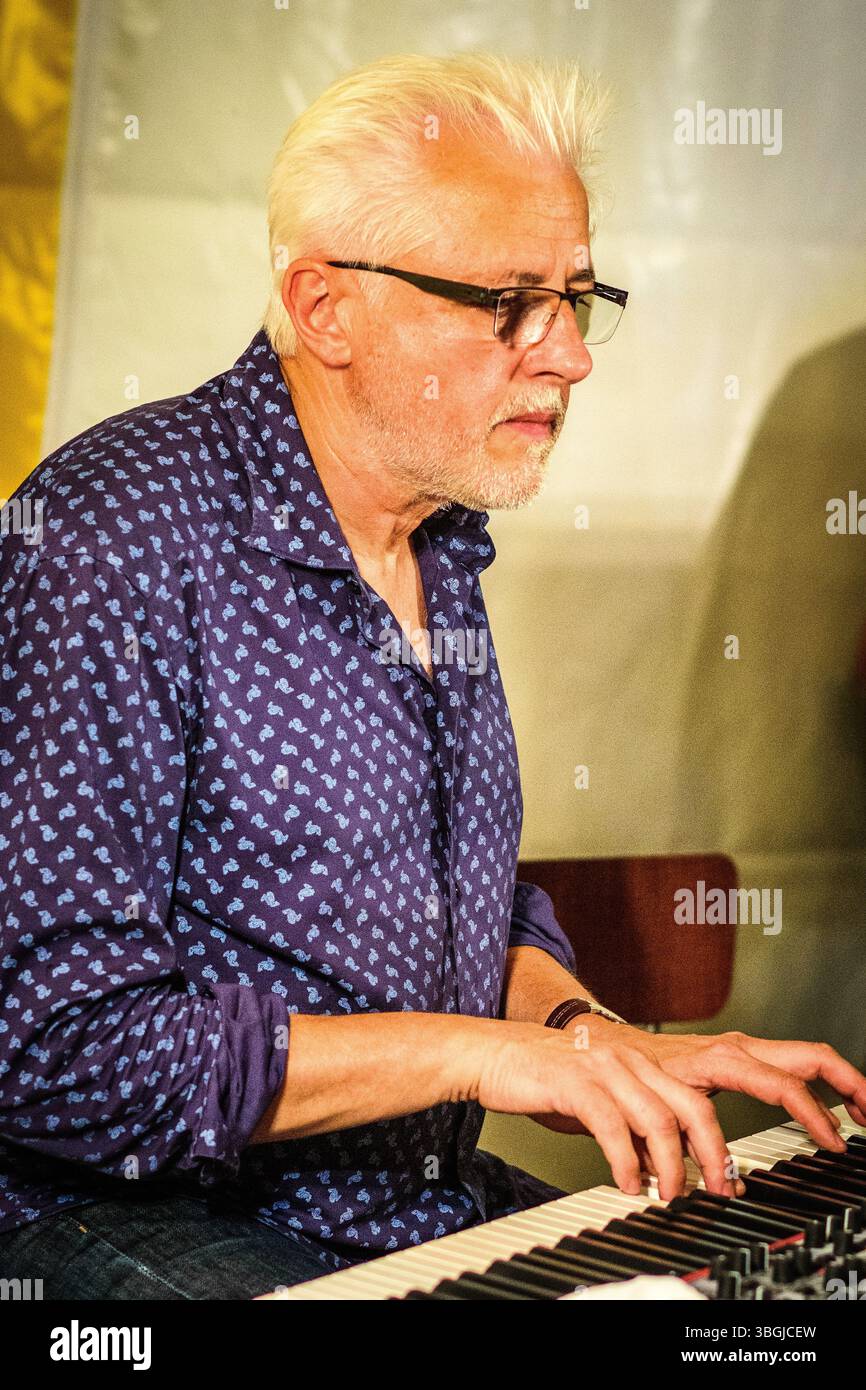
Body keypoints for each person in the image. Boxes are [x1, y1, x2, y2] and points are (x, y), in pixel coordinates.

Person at [0, 52, 864, 1302]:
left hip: (409, 1207)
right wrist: (478, 1059)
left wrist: (585, 1039)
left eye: (575, 295)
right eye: (507, 300)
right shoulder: (112, 538)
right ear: (323, 307)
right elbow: (51, 1052)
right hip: (113, 1225)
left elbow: (452, 912)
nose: (566, 356)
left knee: (754, 1299)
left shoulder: (437, 536)